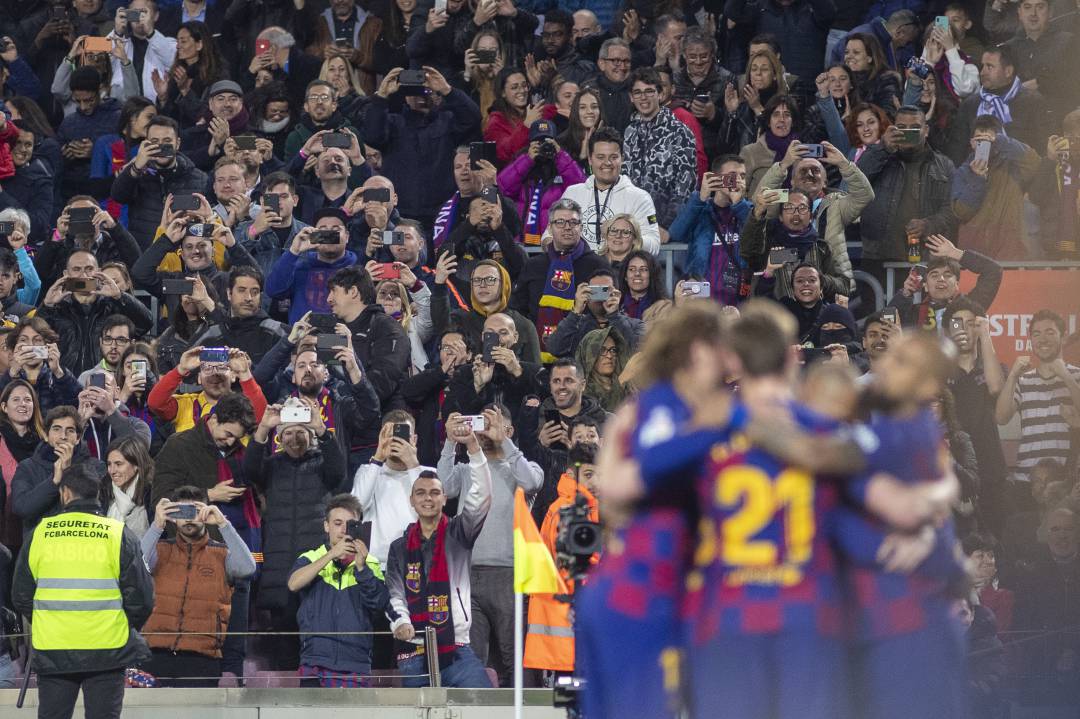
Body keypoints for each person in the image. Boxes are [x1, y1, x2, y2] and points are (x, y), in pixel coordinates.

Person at [12, 462, 154, 719]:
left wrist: (49, 620)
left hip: (54, 648)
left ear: (64, 493)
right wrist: (118, 624)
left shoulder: (39, 534)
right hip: (107, 650)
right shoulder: (118, 533)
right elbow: (142, 599)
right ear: (99, 493)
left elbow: (21, 596)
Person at [437, 407, 542, 686]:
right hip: (467, 575)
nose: (485, 430)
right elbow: (443, 487)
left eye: (492, 424)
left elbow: (531, 482)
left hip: (508, 574)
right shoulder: (468, 469)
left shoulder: (524, 469)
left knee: (514, 656)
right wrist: (449, 441)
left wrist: (503, 441)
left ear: (509, 431)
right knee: (472, 659)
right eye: (481, 423)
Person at [248, 400, 349, 661]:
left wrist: (322, 429)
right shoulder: (271, 466)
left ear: (310, 435)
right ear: (280, 437)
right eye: (288, 433)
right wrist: (262, 429)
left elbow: (339, 472)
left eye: (301, 432)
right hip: (278, 567)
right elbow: (249, 471)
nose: (294, 439)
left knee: (319, 639)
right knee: (283, 649)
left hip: (314, 565)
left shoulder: (322, 464)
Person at [386, 444, 493, 687]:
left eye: (435, 493)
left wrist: (475, 450)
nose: (428, 498)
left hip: (456, 648)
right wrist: (401, 622)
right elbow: (394, 593)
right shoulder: (399, 547)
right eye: (421, 493)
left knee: (487, 706)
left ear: (444, 499)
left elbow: (483, 496)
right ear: (411, 500)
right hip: (413, 651)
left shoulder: (459, 533)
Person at [140, 484, 256, 687]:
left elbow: (247, 568)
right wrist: (156, 525)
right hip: (155, 655)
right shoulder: (160, 549)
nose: (188, 518)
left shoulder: (222, 554)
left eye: (194, 511)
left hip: (202, 658)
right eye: (182, 511)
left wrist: (222, 523)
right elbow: (138, 567)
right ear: (173, 515)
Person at [288, 493, 391, 686]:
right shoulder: (311, 557)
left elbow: (380, 605)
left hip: (356, 663)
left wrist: (362, 568)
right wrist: (331, 555)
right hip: (315, 662)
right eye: (337, 523)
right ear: (326, 526)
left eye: (350, 524)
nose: (344, 530)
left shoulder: (371, 563)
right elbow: (293, 584)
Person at [364, 65, 482, 228]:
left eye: (426, 90)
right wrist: (381, 96)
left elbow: (473, 118)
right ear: (405, 97)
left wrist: (448, 90)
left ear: (436, 95)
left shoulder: (447, 121)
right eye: (413, 92)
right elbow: (372, 136)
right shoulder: (392, 123)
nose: (420, 96)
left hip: (442, 215)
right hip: (401, 215)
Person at [253, 331, 381, 478]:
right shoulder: (280, 409)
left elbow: (370, 411)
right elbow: (260, 378)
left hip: (330, 491)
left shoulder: (339, 406)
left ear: (326, 374)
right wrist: (288, 340)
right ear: (293, 377)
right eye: (301, 366)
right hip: (285, 487)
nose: (308, 369)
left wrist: (354, 370)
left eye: (315, 365)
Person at [856, 105, 957, 287]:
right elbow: (856, 178)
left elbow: (951, 211)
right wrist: (883, 147)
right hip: (878, 259)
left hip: (925, 259)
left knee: (920, 314)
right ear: (892, 129)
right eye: (901, 127)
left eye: (914, 128)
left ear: (926, 131)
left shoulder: (944, 166)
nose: (907, 132)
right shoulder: (880, 157)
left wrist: (928, 224)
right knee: (874, 314)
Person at [523, 441, 599, 677]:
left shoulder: (580, 508)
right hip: (571, 632)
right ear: (569, 474)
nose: (596, 482)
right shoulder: (571, 512)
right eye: (589, 474)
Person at [512, 199, 610, 361]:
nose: (567, 227)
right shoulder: (534, 265)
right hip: (536, 354)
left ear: (581, 227)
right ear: (550, 228)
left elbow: (606, 305)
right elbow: (519, 309)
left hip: (583, 353)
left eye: (573, 222)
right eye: (560, 222)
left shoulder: (598, 265)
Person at [36, 251, 152, 376]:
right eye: (76, 269)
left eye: (89, 269)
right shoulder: (56, 309)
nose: (84, 275)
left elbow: (145, 323)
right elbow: (35, 342)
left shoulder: (113, 306)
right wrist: (47, 306)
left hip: (108, 383)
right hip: (64, 383)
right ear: (66, 274)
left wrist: (120, 296)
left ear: (99, 272)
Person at [995, 310, 1080, 480]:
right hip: (1027, 478)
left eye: (1050, 332)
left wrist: (1066, 376)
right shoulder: (1023, 379)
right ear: (1031, 340)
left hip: (1067, 480)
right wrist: (1012, 376)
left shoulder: (1076, 376)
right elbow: (1001, 418)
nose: (1042, 339)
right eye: (1036, 334)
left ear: (1063, 338)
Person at [351, 411, 436, 570]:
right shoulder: (368, 471)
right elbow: (357, 508)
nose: (397, 441)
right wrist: (377, 458)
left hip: (418, 564)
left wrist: (412, 464)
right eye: (390, 435)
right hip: (376, 566)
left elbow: (430, 509)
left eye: (403, 435)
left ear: (414, 440)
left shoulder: (429, 474)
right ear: (381, 438)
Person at [109, 114, 209, 248]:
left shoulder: (199, 178)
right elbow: (118, 195)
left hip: (186, 257)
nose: (161, 146)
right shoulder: (137, 174)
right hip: (145, 256)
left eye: (167, 140)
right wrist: (136, 168)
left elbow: (209, 223)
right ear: (146, 144)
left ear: (177, 143)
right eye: (155, 141)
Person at [951, 114, 1042, 260]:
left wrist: (1000, 140)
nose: (984, 144)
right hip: (975, 251)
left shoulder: (1013, 167)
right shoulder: (962, 172)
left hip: (1009, 250)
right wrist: (977, 179)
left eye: (988, 140)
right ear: (971, 143)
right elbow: (960, 213)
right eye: (979, 139)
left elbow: (1034, 161)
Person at [559, 127, 661, 252]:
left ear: (622, 158)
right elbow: (548, 235)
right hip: (579, 269)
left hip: (619, 269)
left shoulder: (639, 197)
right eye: (600, 157)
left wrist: (626, 235)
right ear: (590, 159)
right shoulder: (572, 194)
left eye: (613, 157)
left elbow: (654, 244)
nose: (607, 163)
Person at [741, 188, 850, 302]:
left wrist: (820, 279)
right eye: (789, 208)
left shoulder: (822, 248)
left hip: (814, 315)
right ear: (780, 216)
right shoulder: (767, 245)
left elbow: (844, 287)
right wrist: (758, 212)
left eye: (802, 208)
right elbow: (748, 251)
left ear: (811, 216)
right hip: (778, 315)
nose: (796, 213)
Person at [669, 156, 753, 305]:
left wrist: (739, 204)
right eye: (732, 176)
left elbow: (758, 236)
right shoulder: (700, 209)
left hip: (739, 301)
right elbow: (676, 233)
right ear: (716, 179)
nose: (739, 181)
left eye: (743, 176)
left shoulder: (749, 211)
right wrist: (700, 198)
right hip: (701, 301)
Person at [326, 265, 411, 412]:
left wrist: (342, 394)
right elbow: (327, 376)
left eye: (334, 291)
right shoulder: (333, 329)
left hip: (383, 424)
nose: (329, 298)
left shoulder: (387, 328)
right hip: (342, 420)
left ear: (353, 292)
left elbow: (382, 384)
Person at [622, 68, 696, 229]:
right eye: (637, 92)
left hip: (665, 228)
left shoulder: (680, 132)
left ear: (660, 94)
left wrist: (666, 226)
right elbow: (624, 178)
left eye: (649, 91)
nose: (643, 98)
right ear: (631, 97)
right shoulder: (629, 132)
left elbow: (685, 186)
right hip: (633, 224)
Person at [496, 119, 586, 245]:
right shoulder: (522, 163)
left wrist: (560, 156)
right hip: (522, 243)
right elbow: (502, 188)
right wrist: (527, 160)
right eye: (538, 143)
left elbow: (582, 187)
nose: (543, 146)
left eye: (548, 142)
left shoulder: (563, 164)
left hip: (553, 243)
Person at [444, 312, 544, 423]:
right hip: (478, 437)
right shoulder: (465, 373)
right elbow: (450, 415)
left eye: (503, 333)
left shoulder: (534, 372)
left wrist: (518, 373)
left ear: (515, 337)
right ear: (482, 337)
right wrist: (477, 385)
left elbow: (541, 407)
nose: (497, 339)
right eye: (490, 334)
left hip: (519, 438)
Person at [887, 234, 1002, 330]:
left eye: (947, 275)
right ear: (925, 285)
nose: (941, 279)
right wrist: (906, 293)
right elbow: (887, 323)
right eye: (934, 275)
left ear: (957, 284)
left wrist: (955, 253)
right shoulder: (914, 314)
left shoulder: (970, 306)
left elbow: (993, 270)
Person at [266, 207, 359, 324]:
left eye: (335, 229)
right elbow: (273, 291)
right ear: (314, 236)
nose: (329, 235)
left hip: (343, 338)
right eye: (322, 230)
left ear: (347, 236)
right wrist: (294, 251)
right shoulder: (298, 266)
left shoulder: (358, 269)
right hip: (302, 337)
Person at [147, 344, 266, 434]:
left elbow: (260, 419)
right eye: (207, 368)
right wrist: (181, 369)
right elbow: (155, 403)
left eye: (221, 367)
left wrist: (244, 373)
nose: (214, 374)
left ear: (233, 376)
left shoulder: (244, 405)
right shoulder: (186, 403)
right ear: (199, 378)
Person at [191, 266, 287, 367]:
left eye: (254, 292)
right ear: (229, 294)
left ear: (260, 296)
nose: (248, 298)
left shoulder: (278, 333)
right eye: (241, 290)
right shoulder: (211, 336)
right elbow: (187, 371)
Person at [56, 67, 123, 200]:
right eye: (78, 101)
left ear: (101, 90)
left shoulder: (118, 119)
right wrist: (64, 155)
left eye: (89, 100)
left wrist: (97, 153)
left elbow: (124, 159)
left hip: (108, 195)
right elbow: (57, 165)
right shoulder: (68, 122)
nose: (83, 107)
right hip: (72, 194)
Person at [546, 269, 644, 358]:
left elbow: (638, 354)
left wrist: (614, 316)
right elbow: (554, 349)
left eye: (605, 290)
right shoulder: (576, 325)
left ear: (618, 294)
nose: (600, 295)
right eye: (595, 290)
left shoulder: (636, 325)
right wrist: (576, 311)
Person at [0, 318, 82, 415]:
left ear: (47, 345)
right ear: (15, 346)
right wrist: (12, 373)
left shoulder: (59, 375)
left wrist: (58, 372)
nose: (31, 345)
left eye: (37, 340)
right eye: (23, 340)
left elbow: (76, 407)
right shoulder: (8, 377)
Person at [0, 379, 45, 550]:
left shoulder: (45, 443)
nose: (23, 404)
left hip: (38, 532)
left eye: (27, 399)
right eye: (16, 399)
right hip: (5, 536)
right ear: (4, 407)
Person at [100, 434, 152, 539]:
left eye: (118, 464)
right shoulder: (103, 492)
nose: (112, 471)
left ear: (136, 465)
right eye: (109, 464)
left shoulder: (151, 495)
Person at [592, 38, 634, 133]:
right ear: (602, 64)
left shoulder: (637, 90)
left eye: (626, 61)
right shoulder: (590, 92)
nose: (623, 67)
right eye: (616, 61)